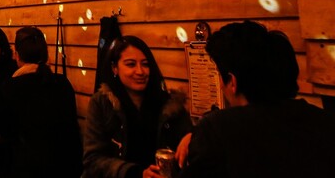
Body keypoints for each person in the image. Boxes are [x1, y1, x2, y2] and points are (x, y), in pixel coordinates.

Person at [180, 21, 335, 178]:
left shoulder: (217, 130)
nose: (220, 85)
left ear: (232, 81)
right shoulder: (326, 123)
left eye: (220, 76)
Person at [83, 35, 192, 178]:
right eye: (130, 64)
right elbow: (93, 159)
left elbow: (192, 142)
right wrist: (134, 173)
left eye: (145, 64)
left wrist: (192, 136)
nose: (140, 71)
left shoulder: (170, 104)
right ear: (114, 68)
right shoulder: (102, 103)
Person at [0, 27, 82, 178]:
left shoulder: (11, 87)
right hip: (68, 167)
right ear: (46, 55)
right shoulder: (62, 83)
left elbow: (5, 132)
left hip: (28, 168)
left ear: (16, 55)